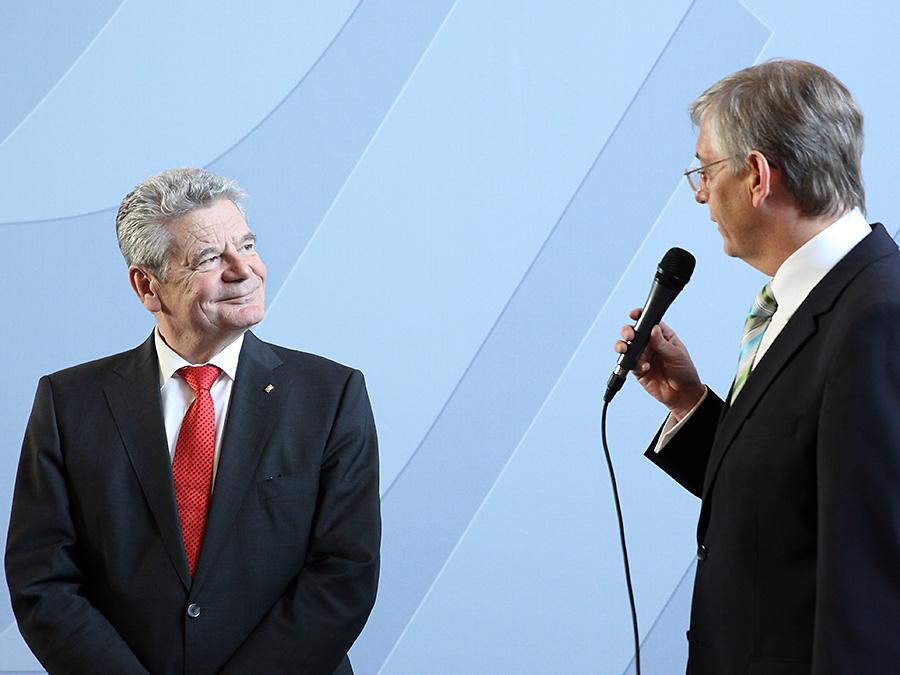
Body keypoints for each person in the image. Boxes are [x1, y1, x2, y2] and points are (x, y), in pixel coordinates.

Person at [5, 168, 381, 674]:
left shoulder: (331, 395)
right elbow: (43, 580)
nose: (244, 270)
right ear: (147, 286)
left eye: (246, 246)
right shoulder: (69, 403)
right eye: (209, 258)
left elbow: (345, 573)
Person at [614, 60, 900, 673]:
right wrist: (689, 403)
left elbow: (872, 582)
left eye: (705, 169)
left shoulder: (878, 317)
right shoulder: (807, 302)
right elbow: (795, 501)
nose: (699, 192)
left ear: (757, 176)